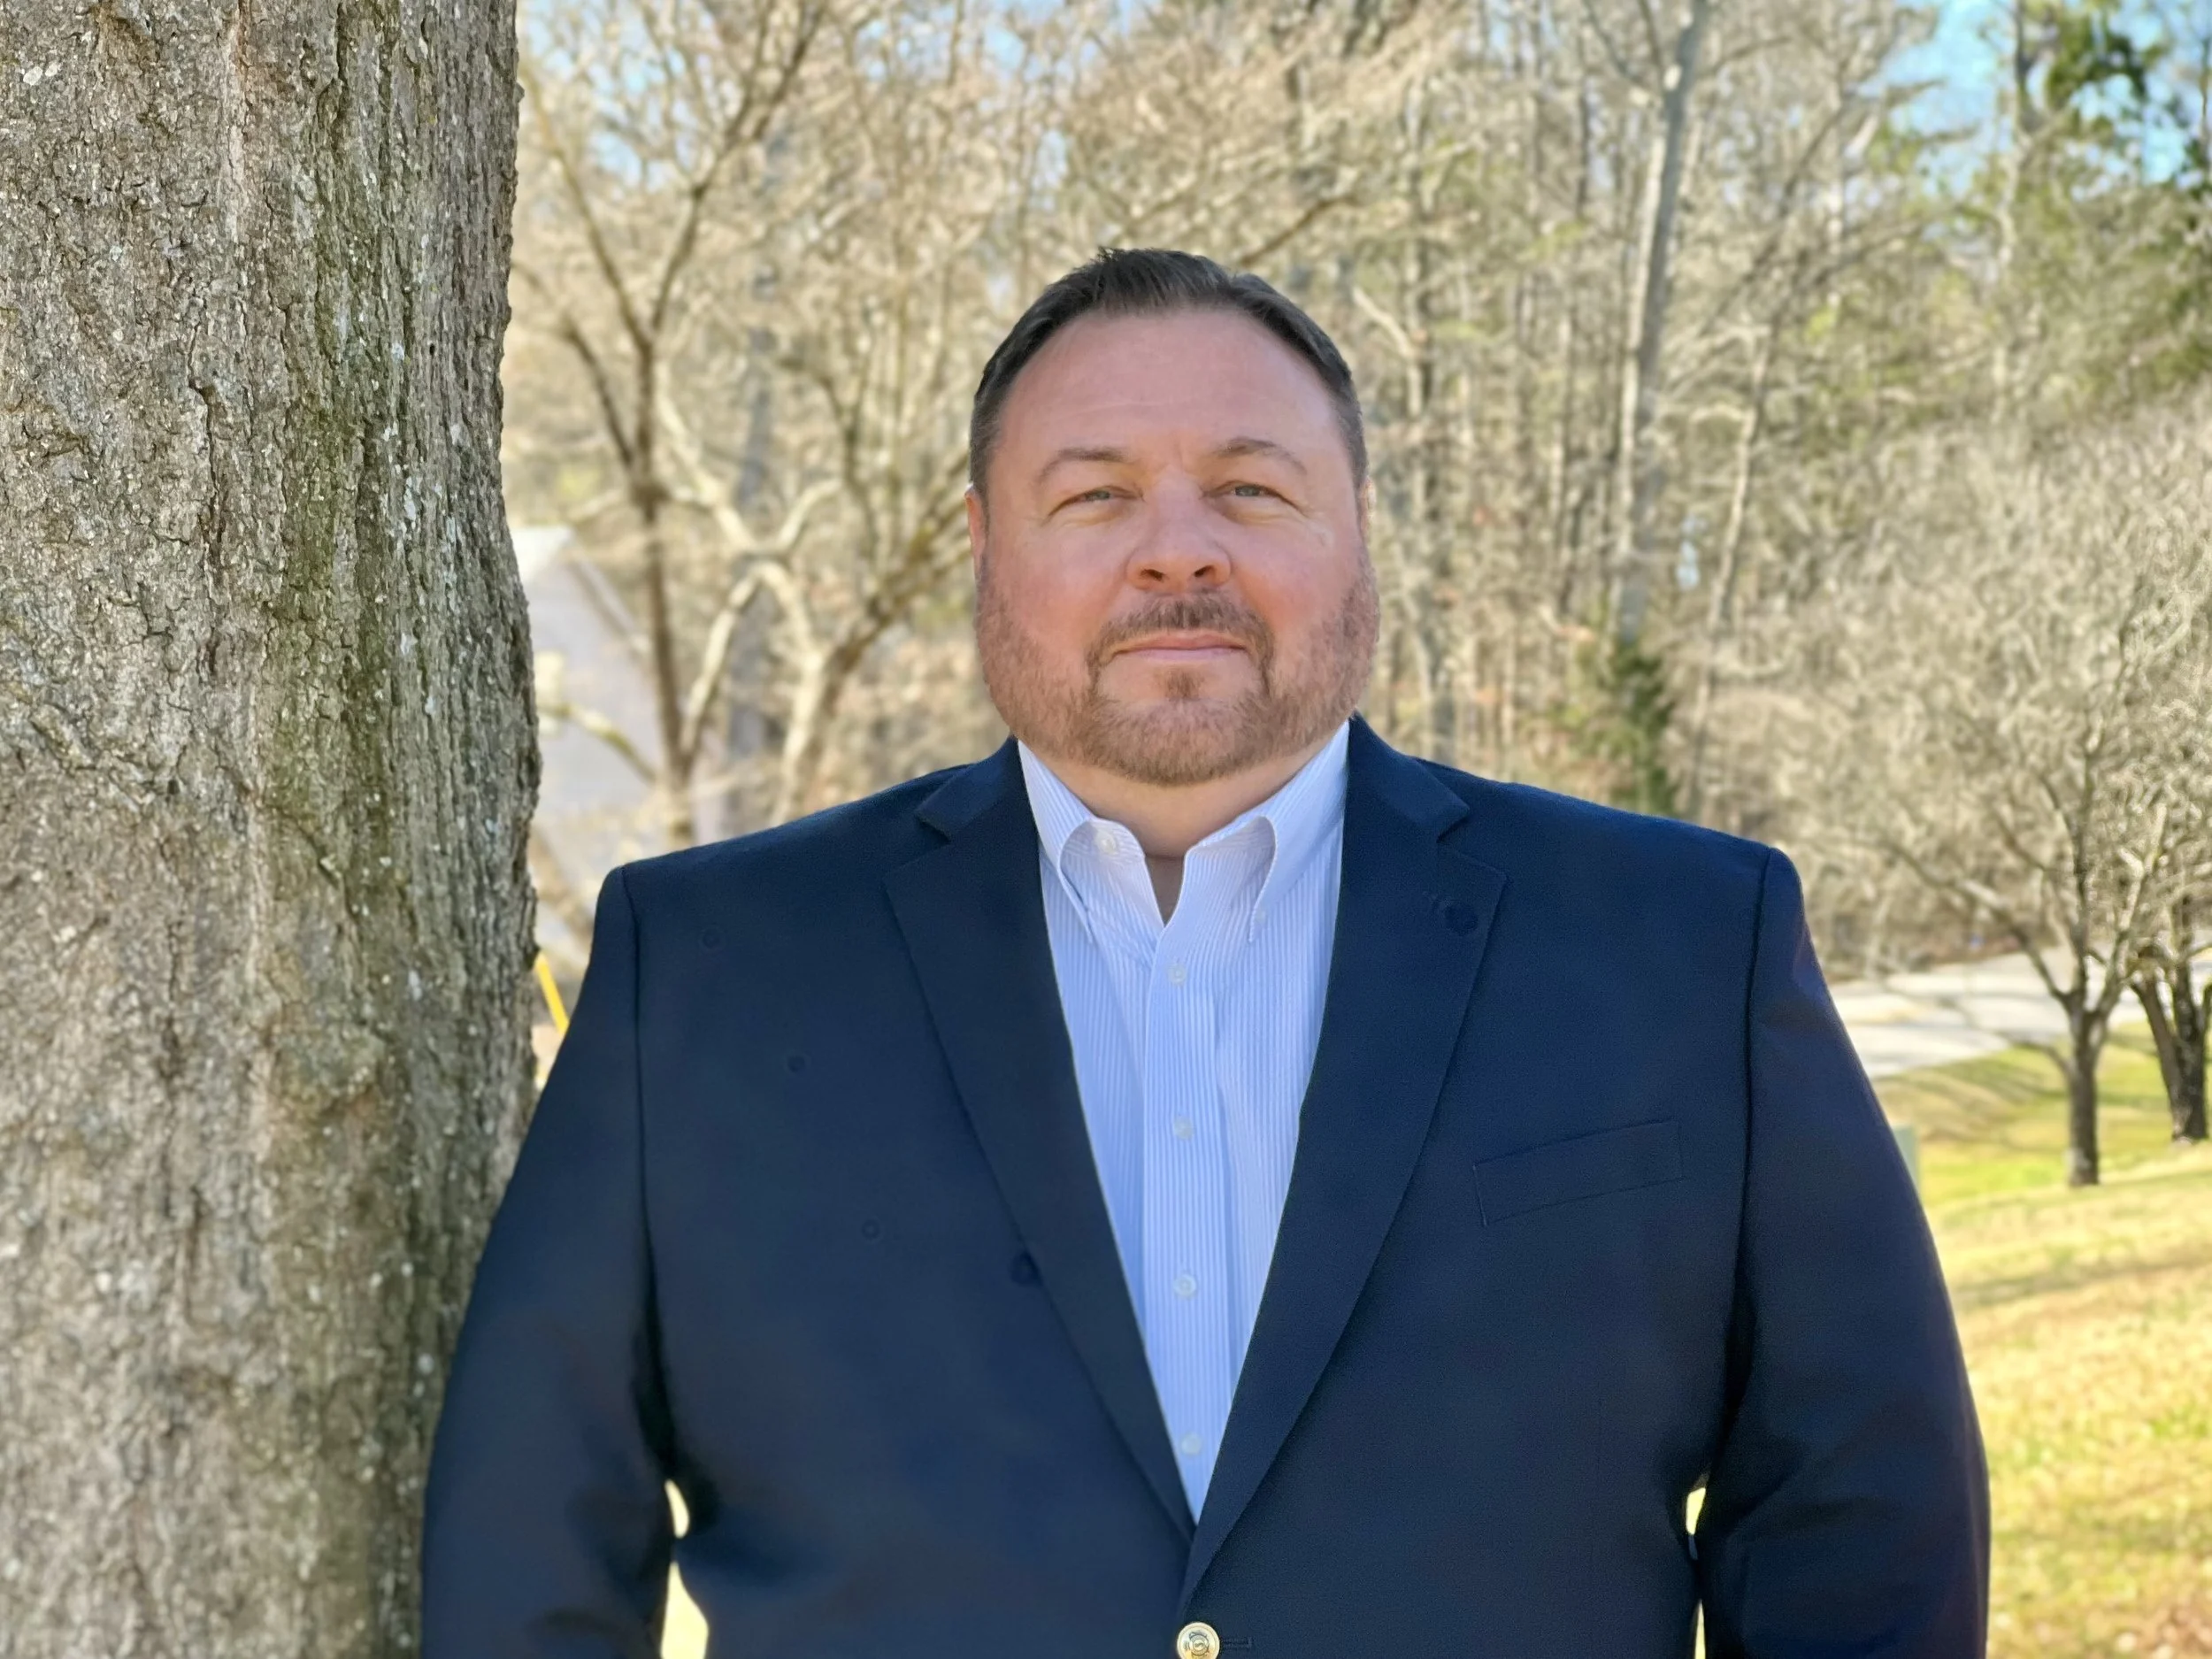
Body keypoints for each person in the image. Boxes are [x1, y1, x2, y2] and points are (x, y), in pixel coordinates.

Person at [423, 248, 1987, 1657]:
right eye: (1095, 496)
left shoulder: (1686, 944)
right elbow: (532, 1542)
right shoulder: (703, 969)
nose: (1178, 552)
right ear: (984, 542)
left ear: (1356, 528)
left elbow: (1859, 1505)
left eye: (1250, 489)